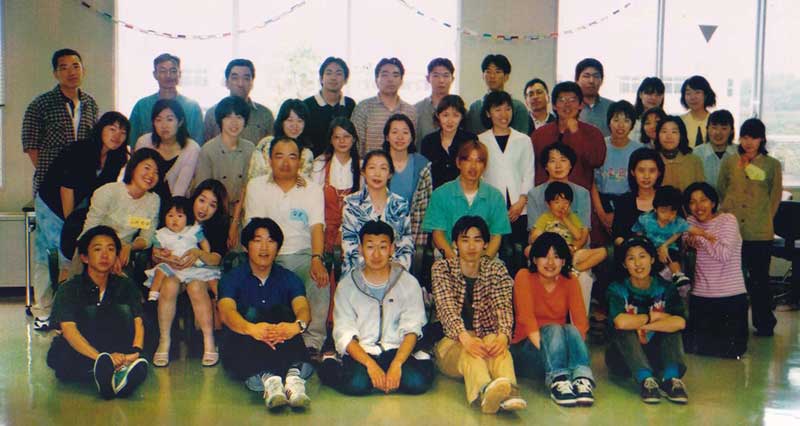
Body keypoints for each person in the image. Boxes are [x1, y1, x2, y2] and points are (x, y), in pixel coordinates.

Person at [31, 112, 130, 330]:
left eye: (122, 132)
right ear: (101, 129)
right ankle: (44, 311)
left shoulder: (117, 158)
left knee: (70, 256)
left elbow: (102, 193)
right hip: (52, 203)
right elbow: (66, 188)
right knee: (56, 254)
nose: (117, 135)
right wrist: (71, 225)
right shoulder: (80, 150)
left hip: (79, 208)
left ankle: (66, 311)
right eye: (112, 129)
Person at [319, 220, 434, 396]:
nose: (376, 254)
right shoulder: (347, 285)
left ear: (392, 249)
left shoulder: (408, 282)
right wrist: (370, 365)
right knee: (357, 384)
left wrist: (397, 364)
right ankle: (330, 360)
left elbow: (412, 328)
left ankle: (416, 360)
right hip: (362, 350)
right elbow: (344, 332)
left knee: (417, 383)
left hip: (395, 349)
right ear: (360, 249)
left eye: (383, 247)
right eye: (370, 247)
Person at [243, 137, 329, 354]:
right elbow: (254, 229)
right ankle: (264, 339)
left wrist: (317, 259)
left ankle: (312, 342)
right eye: (279, 156)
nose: (285, 162)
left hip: (302, 254)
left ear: (300, 161)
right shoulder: (256, 187)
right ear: (270, 159)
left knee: (319, 279)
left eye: (292, 157)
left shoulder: (312, 189)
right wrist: (264, 260)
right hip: (267, 255)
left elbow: (317, 227)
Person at [432, 216, 526, 414]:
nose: (471, 246)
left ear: (485, 244)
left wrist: (503, 336)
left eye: (477, 240)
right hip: (451, 343)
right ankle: (485, 392)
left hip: (485, 339)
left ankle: (510, 392)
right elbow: (447, 309)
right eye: (465, 240)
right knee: (471, 351)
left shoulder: (496, 269)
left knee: (497, 344)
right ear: (455, 243)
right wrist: (466, 339)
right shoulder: (442, 269)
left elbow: (503, 307)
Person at [218, 218, 312, 410]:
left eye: (271, 241)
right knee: (251, 313)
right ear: (246, 246)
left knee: (282, 312)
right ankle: (274, 378)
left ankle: (289, 380)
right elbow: (226, 312)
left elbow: (303, 309)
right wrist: (251, 329)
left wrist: (295, 327)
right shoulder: (232, 278)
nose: (264, 247)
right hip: (244, 346)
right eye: (257, 240)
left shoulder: (289, 278)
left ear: (278, 248)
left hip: (280, 344)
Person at [46, 226, 148, 399]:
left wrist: (135, 351)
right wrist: (101, 358)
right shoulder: (69, 288)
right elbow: (69, 331)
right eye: (97, 249)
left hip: (116, 348)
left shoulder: (125, 285)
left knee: (124, 314)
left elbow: (139, 321)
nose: (105, 255)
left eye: (111, 249)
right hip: (81, 350)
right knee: (63, 358)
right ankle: (113, 374)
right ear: (84, 257)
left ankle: (114, 374)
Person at [511, 232, 593, 407]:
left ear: (563, 261)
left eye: (556, 257)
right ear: (534, 259)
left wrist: (569, 354)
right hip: (527, 350)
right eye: (544, 256)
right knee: (554, 328)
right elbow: (527, 320)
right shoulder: (524, 276)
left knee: (570, 329)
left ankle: (581, 378)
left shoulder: (570, 280)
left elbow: (580, 323)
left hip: (557, 352)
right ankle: (558, 379)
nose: (550, 262)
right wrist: (554, 355)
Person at [151, 180, 229, 360]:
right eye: (202, 200)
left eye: (212, 205)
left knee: (195, 286)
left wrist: (198, 253)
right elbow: (156, 252)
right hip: (174, 272)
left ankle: (209, 341)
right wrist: (166, 257)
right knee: (169, 285)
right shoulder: (176, 214)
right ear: (194, 198)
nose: (204, 208)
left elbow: (216, 259)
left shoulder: (216, 227)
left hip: (201, 274)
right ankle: (164, 341)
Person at [718, 118, 782, 337]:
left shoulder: (772, 164)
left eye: (754, 138)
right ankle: (731, 323)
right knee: (732, 280)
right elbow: (721, 190)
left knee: (759, 280)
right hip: (732, 229)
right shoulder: (730, 162)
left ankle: (764, 323)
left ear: (762, 139)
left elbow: (774, 197)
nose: (748, 142)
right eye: (744, 137)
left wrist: (764, 219)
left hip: (759, 231)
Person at [605, 237, 688, 404]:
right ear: (624, 264)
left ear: (652, 259)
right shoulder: (617, 288)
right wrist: (652, 317)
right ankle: (646, 380)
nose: (638, 263)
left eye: (642, 256)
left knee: (671, 328)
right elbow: (621, 322)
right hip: (623, 359)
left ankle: (671, 379)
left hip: (657, 356)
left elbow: (680, 322)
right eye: (631, 258)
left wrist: (644, 326)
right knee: (624, 329)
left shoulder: (666, 288)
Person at [230, 100, 315, 247]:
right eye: (290, 120)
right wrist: (235, 222)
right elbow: (249, 185)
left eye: (300, 121)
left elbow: (303, 190)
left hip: (291, 221)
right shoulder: (266, 145)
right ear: (281, 121)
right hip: (260, 213)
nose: (295, 125)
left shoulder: (307, 154)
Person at [682, 182, 748, 358]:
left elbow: (723, 254)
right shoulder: (689, 222)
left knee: (732, 351)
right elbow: (686, 243)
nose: (698, 206)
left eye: (703, 200)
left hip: (730, 296)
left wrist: (701, 237)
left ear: (713, 202)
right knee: (696, 349)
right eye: (692, 202)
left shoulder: (728, 220)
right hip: (701, 296)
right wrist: (698, 238)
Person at [22, 48, 98, 195]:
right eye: (64, 68)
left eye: (76, 66)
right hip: (50, 183)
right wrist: (51, 174)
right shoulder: (40, 105)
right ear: (55, 74)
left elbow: (94, 143)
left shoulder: (90, 104)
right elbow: (31, 146)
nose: (72, 72)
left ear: (83, 70)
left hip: (83, 181)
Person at [79, 148, 162, 274]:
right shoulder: (108, 192)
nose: (151, 175)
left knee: (125, 283)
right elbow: (89, 231)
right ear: (133, 167)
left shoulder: (153, 201)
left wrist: (129, 246)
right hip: (92, 250)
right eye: (147, 168)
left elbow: (147, 237)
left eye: (156, 172)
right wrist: (110, 254)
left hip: (123, 254)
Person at [423, 141, 510, 259]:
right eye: (468, 160)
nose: (473, 166)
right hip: (448, 256)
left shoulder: (495, 197)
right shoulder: (440, 194)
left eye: (479, 161)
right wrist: (455, 262)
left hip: (485, 257)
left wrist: (484, 262)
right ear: (458, 163)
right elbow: (438, 234)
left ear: (485, 166)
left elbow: (496, 236)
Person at [478, 90, 534, 274]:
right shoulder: (480, 140)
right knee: (496, 252)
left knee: (518, 254)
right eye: (498, 109)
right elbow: (480, 175)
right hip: (491, 207)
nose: (504, 114)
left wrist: (521, 201)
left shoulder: (524, 140)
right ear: (488, 113)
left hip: (519, 208)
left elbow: (528, 172)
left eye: (508, 109)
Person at [341, 150, 413, 275]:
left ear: (390, 174)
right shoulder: (351, 203)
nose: (377, 173)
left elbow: (406, 244)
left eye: (383, 168)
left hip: (394, 272)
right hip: (358, 271)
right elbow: (349, 246)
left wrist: (392, 271)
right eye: (372, 168)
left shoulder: (400, 204)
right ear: (363, 172)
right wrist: (372, 271)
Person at [631, 186, 715, 287]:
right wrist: (641, 243)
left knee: (673, 255)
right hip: (649, 247)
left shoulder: (678, 222)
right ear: (655, 209)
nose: (668, 215)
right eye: (663, 211)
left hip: (669, 248)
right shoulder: (646, 219)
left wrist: (706, 235)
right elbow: (638, 232)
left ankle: (677, 274)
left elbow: (692, 229)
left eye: (673, 212)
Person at [532, 81, 606, 190]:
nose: (567, 104)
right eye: (561, 100)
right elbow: (532, 168)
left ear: (581, 105)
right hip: (546, 195)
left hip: (579, 195)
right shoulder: (539, 134)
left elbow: (596, 161)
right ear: (554, 106)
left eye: (572, 100)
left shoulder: (593, 133)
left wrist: (576, 133)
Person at [144, 197, 219, 304]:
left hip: (192, 263)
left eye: (180, 216)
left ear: (187, 217)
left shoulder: (192, 230)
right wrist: (163, 254)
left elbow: (204, 243)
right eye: (170, 216)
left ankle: (219, 296)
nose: (175, 220)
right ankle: (153, 295)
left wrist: (204, 254)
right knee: (159, 271)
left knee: (211, 276)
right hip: (172, 265)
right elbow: (156, 253)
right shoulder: (162, 234)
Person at [311, 118, 361, 277]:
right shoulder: (320, 164)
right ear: (331, 140)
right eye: (337, 137)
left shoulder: (361, 166)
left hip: (352, 230)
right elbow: (314, 203)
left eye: (346, 136)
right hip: (324, 230)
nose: (342, 141)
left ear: (354, 139)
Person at [194, 95, 256, 214]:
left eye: (239, 117)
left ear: (245, 121)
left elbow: (249, 187)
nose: (234, 123)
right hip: (213, 212)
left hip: (243, 211)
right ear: (220, 120)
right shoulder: (208, 150)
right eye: (228, 117)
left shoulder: (250, 149)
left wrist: (236, 218)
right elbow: (202, 190)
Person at [128, 53, 204, 145]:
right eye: (162, 71)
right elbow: (134, 143)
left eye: (173, 71)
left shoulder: (192, 107)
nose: (168, 75)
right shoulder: (142, 106)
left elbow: (198, 143)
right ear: (155, 75)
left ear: (179, 74)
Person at [592, 100, 640, 242]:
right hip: (601, 203)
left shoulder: (639, 150)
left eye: (626, 120)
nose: (621, 125)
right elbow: (591, 182)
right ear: (609, 122)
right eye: (616, 120)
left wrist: (620, 215)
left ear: (632, 124)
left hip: (629, 205)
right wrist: (601, 213)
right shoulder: (598, 145)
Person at [134, 98, 201, 197]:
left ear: (180, 122)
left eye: (170, 119)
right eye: (158, 120)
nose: (164, 125)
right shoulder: (143, 142)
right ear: (153, 123)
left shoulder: (191, 148)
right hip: (143, 200)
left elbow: (180, 191)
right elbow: (134, 178)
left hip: (175, 202)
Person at [352, 57, 417, 155]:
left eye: (395, 75)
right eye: (385, 75)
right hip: (370, 164)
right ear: (376, 80)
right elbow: (356, 146)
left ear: (401, 81)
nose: (390, 79)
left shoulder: (410, 111)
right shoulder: (363, 108)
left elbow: (412, 146)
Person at [203, 58, 274, 143]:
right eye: (235, 78)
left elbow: (271, 147)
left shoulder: (265, 115)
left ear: (252, 83)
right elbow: (206, 147)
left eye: (246, 78)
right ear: (227, 83)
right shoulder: (212, 114)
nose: (240, 83)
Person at [419, 94, 476, 189]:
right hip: (436, 194)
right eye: (445, 115)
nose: (450, 121)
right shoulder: (428, 141)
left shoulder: (470, 140)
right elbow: (425, 175)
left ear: (462, 117)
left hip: (463, 192)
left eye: (455, 115)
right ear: (438, 116)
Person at [303, 57, 357, 157]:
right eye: (328, 73)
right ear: (321, 78)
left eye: (339, 73)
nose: (333, 77)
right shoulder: (306, 105)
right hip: (313, 162)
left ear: (345, 80)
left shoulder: (350, 105)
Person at [611, 148, 665, 246]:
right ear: (632, 172)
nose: (646, 176)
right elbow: (617, 236)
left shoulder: (669, 198)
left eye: (652, 171)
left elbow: (679, 232)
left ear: (659, 173)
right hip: (631, 252)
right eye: (641, 170)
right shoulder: (624, 201)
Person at [466, 54, 530, 135]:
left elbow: (521, 138)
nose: (492, 76)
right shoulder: (475, 108)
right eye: (488, 72)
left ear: (506, 77)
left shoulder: (517, 107)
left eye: (497, 72)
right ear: (483, 76)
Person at [383, 114, 430, 204]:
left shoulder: (422, 164)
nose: (400, 137)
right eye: (395, 132)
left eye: (405, 132)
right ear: (387, 137)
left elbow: (425, 202)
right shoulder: (377, 161)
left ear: (411, 137)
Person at [654, 115, 704, 192]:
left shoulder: (694, 161)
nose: (669, 136)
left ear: (681, 135)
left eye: (674, 132)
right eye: (664, 131)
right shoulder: (652, 161)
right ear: (658, 135)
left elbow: (700, 191)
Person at [693, 110, 737, 188]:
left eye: (724, 128)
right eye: (714, 128)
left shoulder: (739, 153)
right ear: (707, 129)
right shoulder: (696, 154)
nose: (718, 133)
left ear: (731, 131)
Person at [414, 58, 455, 141]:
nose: (441, 80)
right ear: (428, 78)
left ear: (452, 79)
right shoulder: (416, 110)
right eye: (436, 75)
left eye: (446, 76)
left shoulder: (459, 109)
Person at [575, 58, 612, 136]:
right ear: (577, 80)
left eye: (596, 76)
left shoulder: (612, 107)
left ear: (601, 81)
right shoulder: (568, 108)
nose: (591, 81)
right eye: (586, 76)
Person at [680, 75, 716, 148]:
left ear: (706, 95)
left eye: (697, 92)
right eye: (688, 93)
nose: (693, 97)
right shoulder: (679, 122)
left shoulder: (715, 122)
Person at [631, 77, 665, 143]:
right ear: (640, 94)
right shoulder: (630, 120)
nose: (654, 98)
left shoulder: (666, 121)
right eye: (649, 94)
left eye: (658, 94)